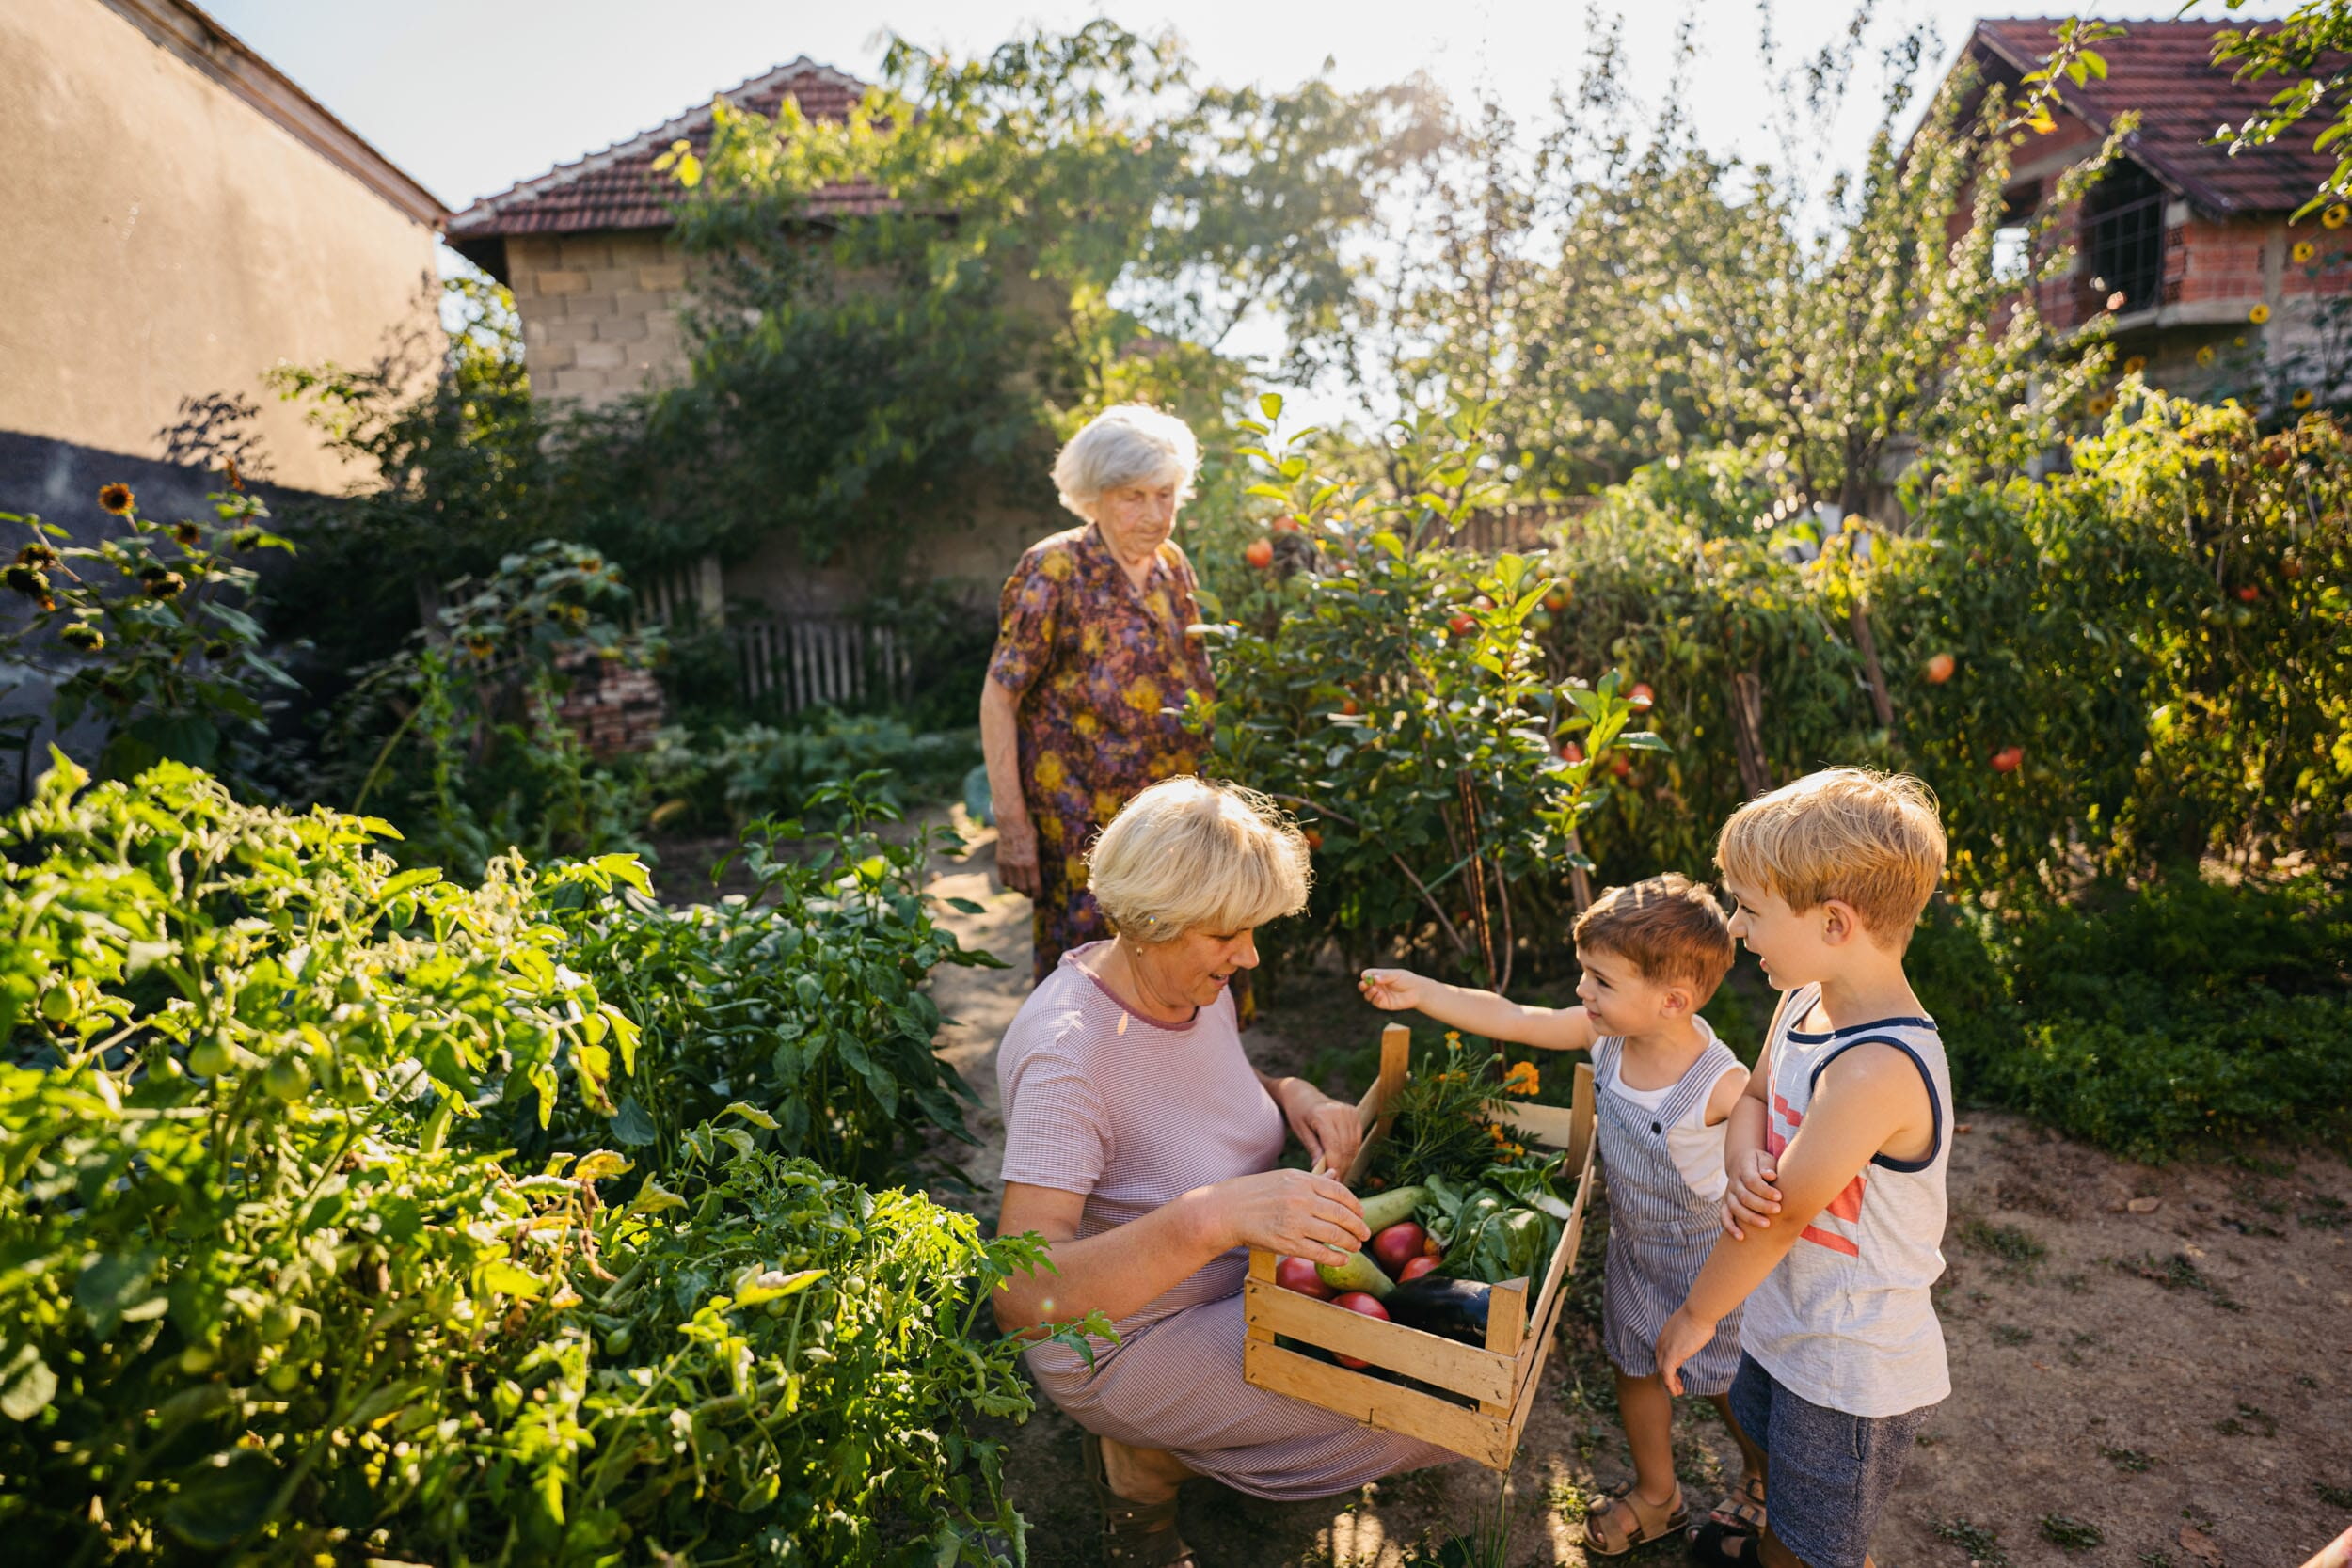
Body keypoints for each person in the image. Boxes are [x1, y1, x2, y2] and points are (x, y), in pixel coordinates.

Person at [991, 777, 1457, 1567]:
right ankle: (1141, 1462)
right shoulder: (1067, 1056)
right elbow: (1020, 1297)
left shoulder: (1190, 987)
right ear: (1150, 921)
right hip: (1125, 1339)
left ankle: (1174, 1447)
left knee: (1444, 1377)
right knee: (1431, 1407)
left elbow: (1194, 1098)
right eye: (1227, 935)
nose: (1249, 955)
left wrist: (1291, 1094)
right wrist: (1210, 1216)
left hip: (1238, 1281)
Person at [1358, 874, 1769, 1554]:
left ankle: (1763, 1476)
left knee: (1730, 1384)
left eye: (1601, 981)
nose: (1583, 991)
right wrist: (1424, 992)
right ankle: (1658, 1493)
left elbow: (1774, 1142)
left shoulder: (1721, 1085)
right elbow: (1514, 1016)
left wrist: (1760, 1172)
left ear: (1673, 1001)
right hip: (1638, 1253)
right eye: (1586, 974)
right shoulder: (1605, 1036)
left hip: (1711, 1272)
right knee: (1632, 1365)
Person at [1655, 768, 1953, 1568]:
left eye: (1750, 909)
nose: (1737, 928)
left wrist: (1695, 1315)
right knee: (1768, 1445)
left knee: (1812, 1542)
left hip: (1849, 1366)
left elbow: (1783, 1214)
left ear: (1833, 921)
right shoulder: (1803, 1003)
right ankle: (1769, 1519)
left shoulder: (1877, 1067)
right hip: (1790, 1319)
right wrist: (1744, 1151)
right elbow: (1754, 1096)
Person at [980, 404, 1218, 985]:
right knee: (1090, 978)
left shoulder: (1172, 567)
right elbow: (1000, 697)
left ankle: (1182, 1077)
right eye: (1132, 496)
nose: (1154, 514)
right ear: (1096, 497)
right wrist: (1012, 823)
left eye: (1164, 494)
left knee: (1179, 965)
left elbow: (1197, 683)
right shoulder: (1054, 567)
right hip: (1082, 826)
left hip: (1168, 821)